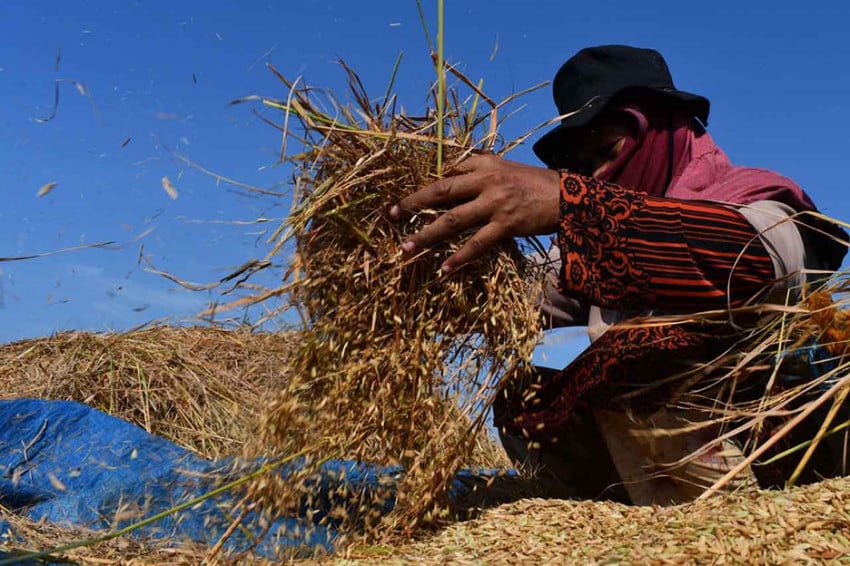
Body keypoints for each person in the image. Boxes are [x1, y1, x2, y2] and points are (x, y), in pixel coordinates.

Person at [389, 45, 848, 504]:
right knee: (524, 398)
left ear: (668, 128)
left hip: (778, 447)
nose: (595, 178)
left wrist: (573, 203)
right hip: (658, 465)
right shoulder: (590, 247)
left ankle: (726, 520)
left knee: (635, 351)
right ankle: (616, 504)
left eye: (606, 152)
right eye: (581, 169)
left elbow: (755, 257)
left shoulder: (754, 198)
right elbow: (522, 291)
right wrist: (426, 274)